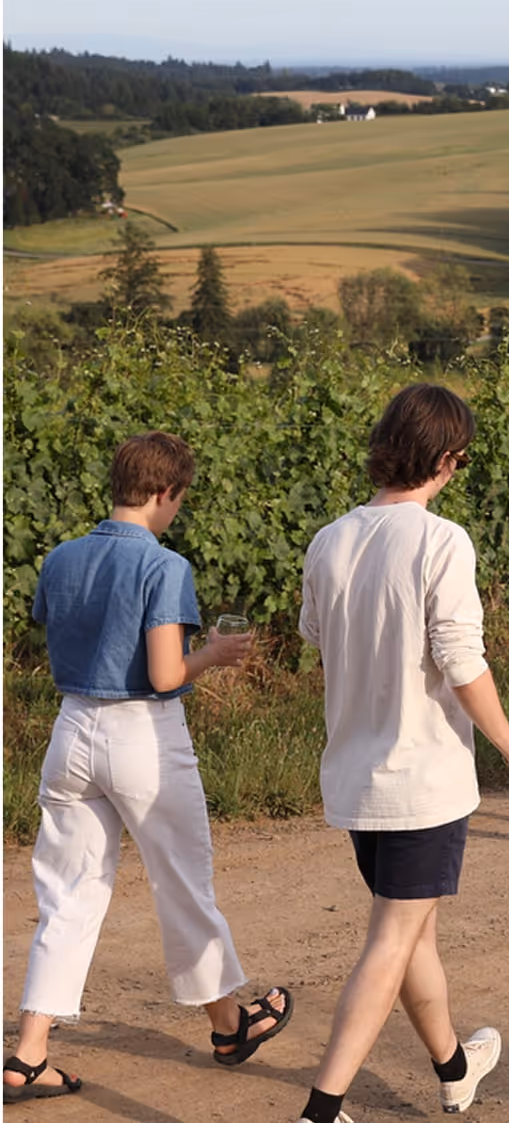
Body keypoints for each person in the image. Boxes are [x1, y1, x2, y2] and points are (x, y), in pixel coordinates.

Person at [297, 385, 509, 1123]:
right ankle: (321, 1111)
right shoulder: (442, 541)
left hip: (354, 776)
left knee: (412, 934)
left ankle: (453, 1068)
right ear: (445, 458)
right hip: (422, 780)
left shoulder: (329, 539)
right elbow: (462, 661)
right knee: (391, 941)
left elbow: (315, 636)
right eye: (462, 458)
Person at [7, 432, 293, 1104]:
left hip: (71, 728)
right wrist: (214, 653)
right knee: (182, 886)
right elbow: (165, 674)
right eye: (179, 501)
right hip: (142, 736)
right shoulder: (165, 567)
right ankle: (229, 1027)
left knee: (67, 896)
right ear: (167, 493)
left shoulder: (61, 558)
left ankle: (26, 1054)